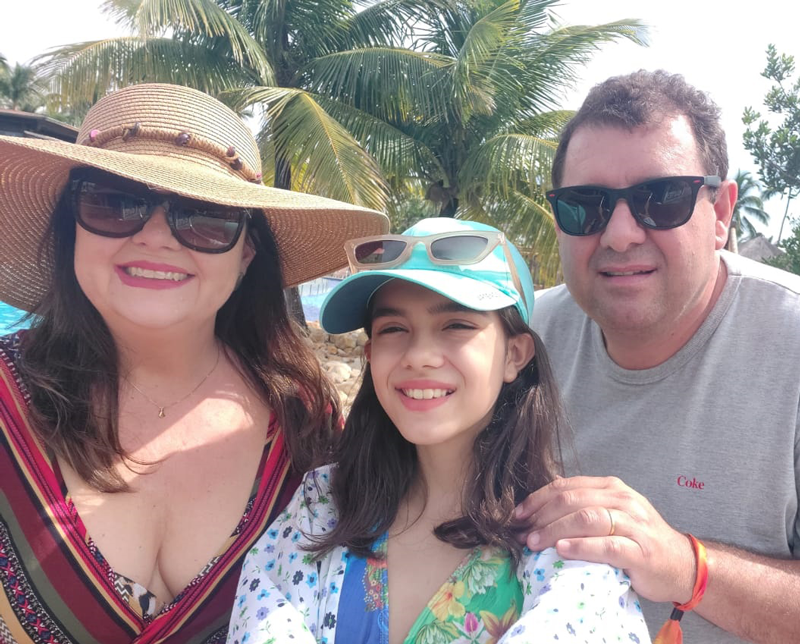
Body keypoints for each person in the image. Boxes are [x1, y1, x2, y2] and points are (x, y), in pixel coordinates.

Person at [0, 83, 388, 642]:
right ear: (71, 227)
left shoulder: (303, 421)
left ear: (247, 252)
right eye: (114, 201)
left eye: (205, 216)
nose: (156, 237)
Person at [227, 217, 650, 643]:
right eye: (394, 329)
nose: (420, 356)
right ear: (371, 353)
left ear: (514, 355)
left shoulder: (565, 542)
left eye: (456, 325)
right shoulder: (322, 504)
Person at [516, 70, 800, 644]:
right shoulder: (523, 342)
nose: (620, 234)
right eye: (586, 205)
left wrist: (686, 567)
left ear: (721, 213)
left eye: (662, 199)